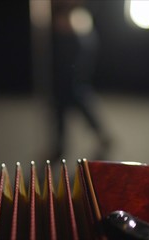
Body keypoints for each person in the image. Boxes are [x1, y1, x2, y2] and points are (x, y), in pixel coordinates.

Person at [50, 3, 111, 162]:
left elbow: (72, 19)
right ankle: (59, 145)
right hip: (74, 40)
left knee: (75, 94)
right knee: (63, 100)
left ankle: (99, 135)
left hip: (77, 37)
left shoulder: (76, 15)